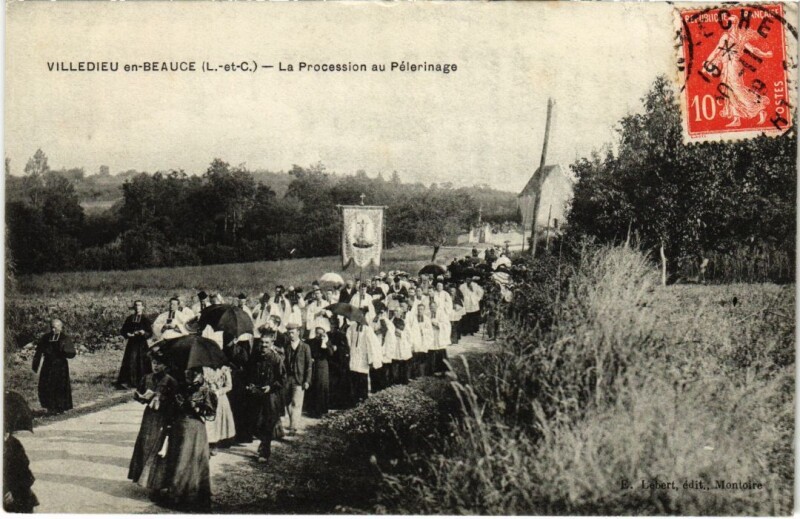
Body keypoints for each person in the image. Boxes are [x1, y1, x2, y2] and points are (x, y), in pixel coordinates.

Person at [159, 368, 216, 511]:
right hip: (179, 427)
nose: (189, 376)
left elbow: (210, 412)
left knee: (193, 459)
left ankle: (192, 495)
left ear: (200, 374)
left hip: (195, 428)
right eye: (188, 373)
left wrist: (197, 407)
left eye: (194, 373)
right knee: (180, 458)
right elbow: (171, 407)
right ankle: (177, 493)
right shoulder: (179, 387)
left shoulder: (205, 389)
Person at [128, 356, 178, 490]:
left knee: (158, 445)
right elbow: (139, 393)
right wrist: (141, 397)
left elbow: (175, 401)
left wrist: (161, 398)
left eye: (159, 363)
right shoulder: (147, 378)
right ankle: (143, 478)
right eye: (153, 363)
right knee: (145, 443)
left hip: (163, 415)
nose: (155, 366)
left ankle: (156, 481)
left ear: (165, 365)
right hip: (149, 415)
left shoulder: (170, 380)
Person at [247, 330, 287, 463]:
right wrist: (250, 384)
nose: (264, 345)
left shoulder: (276, 358)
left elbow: (282, 379)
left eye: (267, 343)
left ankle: (265, 452)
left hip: (271, 396)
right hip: (257, 394)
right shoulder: (255, 356)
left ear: (272, 343)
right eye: (262, 342)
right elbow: (249, 372)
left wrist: (271, 387)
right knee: (255, 422)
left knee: (268, 423)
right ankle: (263, 443)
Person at [32, 318, 76, 413]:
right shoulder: (45, 338)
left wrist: (64, 351)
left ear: (60, 327)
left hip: (60, 366)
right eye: (51, 327)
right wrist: (35, 365)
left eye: (55, 328)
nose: (53, 330)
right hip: (47, 365)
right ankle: (50, 407)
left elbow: (72, 353)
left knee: (60, 386)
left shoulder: (64, 338)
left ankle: (61, 407)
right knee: (46, 385)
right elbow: (38, 351)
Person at [4, 398, 38, 514]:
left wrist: (12, 491)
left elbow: (24, 472)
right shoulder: (12, 444)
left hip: (17, 494)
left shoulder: (13, 445)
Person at [116, 300, 154, 390]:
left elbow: (150, 332)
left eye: (139, 305)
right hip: (132, 344)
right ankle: (129, 382)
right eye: (136, 305)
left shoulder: (145, 319)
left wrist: (143, 332)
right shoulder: (129, 318)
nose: (137, 307)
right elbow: (123, 330)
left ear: (143, 307)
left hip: (142, 344)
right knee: (130, 361)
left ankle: (142, 382)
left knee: (141, 362)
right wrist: (127, 334)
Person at [283, 323, 312, 434]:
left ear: (298, 332)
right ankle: (293, 422)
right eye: (289, 333)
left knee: (297, 403)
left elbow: (309, 365)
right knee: (287, 402)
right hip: (287, 378)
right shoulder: (286, 346)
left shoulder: (305, 347)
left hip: (299, 379)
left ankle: (293, 427)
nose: (290, 335)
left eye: (292, 332)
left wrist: (307, 381)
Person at [202, 365, 236, 454]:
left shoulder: (224, 369)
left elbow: (229, 386)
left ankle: (214, 445)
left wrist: (218, 392)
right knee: (208, 421)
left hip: (220, 398)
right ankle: (207, 444)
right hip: (207, 397)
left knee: (217, 421)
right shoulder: (204, 368)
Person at [345, 319, 379, 404]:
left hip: (363, 356)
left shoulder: (368, 329)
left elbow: (371, 344)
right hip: (354, 355)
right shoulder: (352, 327)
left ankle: (363, 398)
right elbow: (348, 339)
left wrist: (371, 358)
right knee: (354, 376)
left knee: (363, 377)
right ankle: (354, 399)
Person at [306, 323, 334, 417]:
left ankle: (321, 410)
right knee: (313, 387)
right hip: (313, 366)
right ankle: (312, 410)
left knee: (321, 387)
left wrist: (324, 343)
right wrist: (310, 358)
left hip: (322, 366)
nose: (319, 335)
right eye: (317, 333)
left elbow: (330, 354)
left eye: (321, 333)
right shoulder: (311, 342)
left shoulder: (327, 342)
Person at [407, 304, 433, 378]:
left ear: (424, 310)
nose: (420, 311)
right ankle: (415, 374)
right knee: (415, 357)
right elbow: (409, 328)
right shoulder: (413, 319)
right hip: (415, 340)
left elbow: (430, 330)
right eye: (418, 309)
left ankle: (422, 373)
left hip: (423, 340)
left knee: (422, 357)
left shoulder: (427, 319)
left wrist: (423, 331)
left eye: (421, 309)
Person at [429, 301, 451, 374]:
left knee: (440, 351)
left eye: (434, 307)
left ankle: (443, 369)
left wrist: (438, 324)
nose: (432, 308)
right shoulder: (428, 314)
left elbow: (447, 324)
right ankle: (432, 369)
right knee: (432, 351)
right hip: (432, 335)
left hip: (439, 334)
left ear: (436, 306)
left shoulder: (442, 314)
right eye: (431, 307)